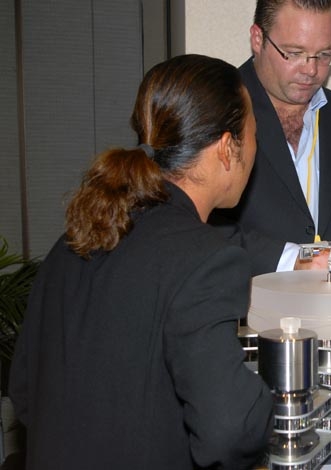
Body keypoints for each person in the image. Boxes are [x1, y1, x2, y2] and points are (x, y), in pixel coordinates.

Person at [9, 54, 273, 470]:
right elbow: (230, 430)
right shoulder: (208, 261)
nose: (256, 148)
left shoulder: (75, 240)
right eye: (254, 134)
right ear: (227, 148)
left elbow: (26, 393)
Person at [209, 0, 331, 275]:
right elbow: (192, 222)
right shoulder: (213, 111)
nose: (311, 70)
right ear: (257, 39)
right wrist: (293, 260)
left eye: (323, 55)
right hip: (245, 298)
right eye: (294, 53)